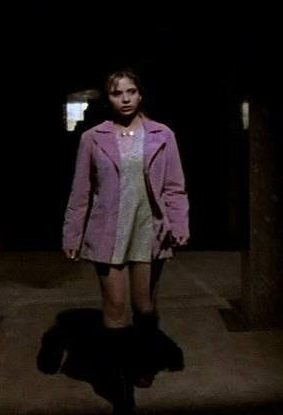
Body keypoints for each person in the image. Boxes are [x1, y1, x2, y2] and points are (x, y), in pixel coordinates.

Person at [61, 67, 189, 407]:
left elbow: (174, 187)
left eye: (131, 92)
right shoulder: (93, 138)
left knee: (143, 305)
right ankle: (119, 381)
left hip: (149, 230)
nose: (125, 99)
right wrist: (72, 235)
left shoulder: (162, 135)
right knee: (115, 306)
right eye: (117, 93)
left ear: (141, 94)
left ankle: (143, 362)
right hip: (108, 231)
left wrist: (179, 225)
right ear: (109, 98)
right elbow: (80, 192)